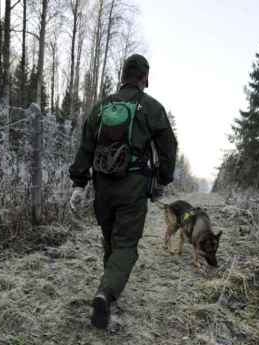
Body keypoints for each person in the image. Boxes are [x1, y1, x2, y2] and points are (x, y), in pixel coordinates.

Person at [68, 54, 177, 329]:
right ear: (144, 79)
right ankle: (106, 293)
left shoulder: (101, 107)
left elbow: (86, 147)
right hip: (133, 186)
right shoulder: (151, 107)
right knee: (125, 245)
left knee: (110, 241)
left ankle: (107, 291)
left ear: (121, 77)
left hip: (102, 187)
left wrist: (79, 184)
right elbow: (168, 147)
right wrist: (162, 180)